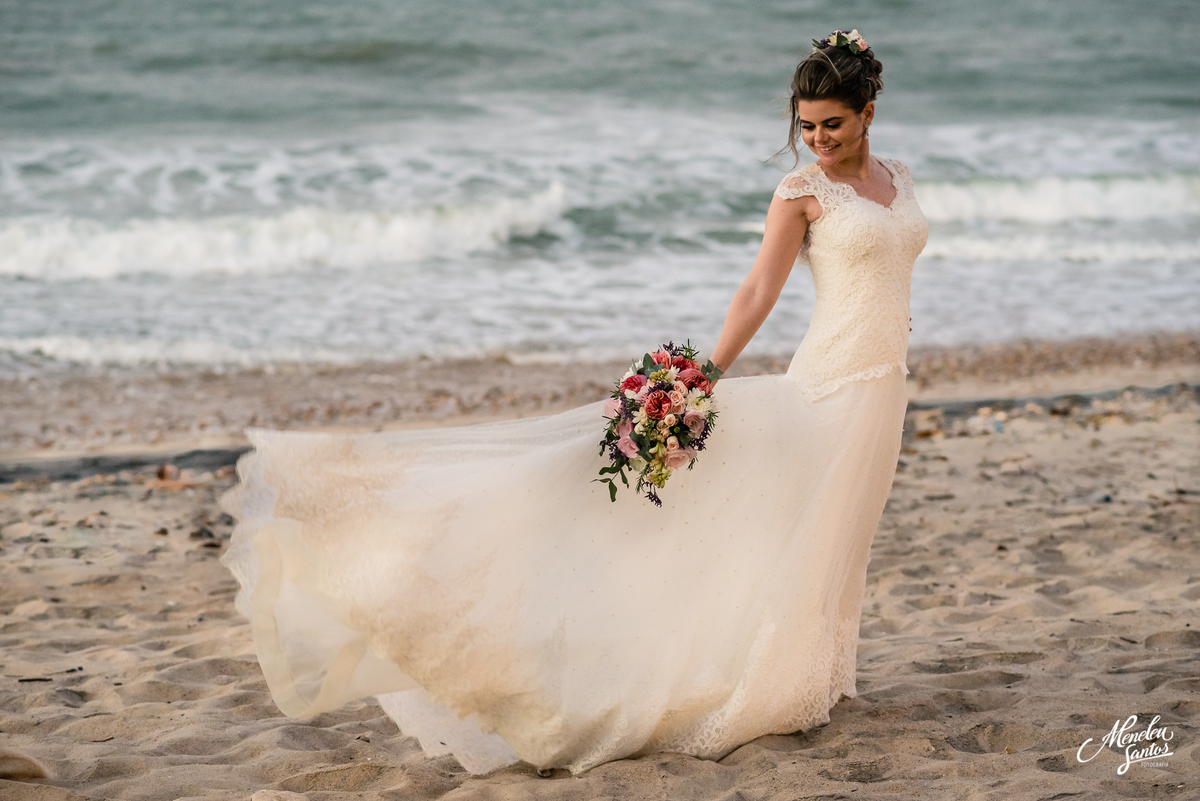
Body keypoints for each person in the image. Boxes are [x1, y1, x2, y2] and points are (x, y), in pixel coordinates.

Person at [220, 28, 928, 777]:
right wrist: (700, 378)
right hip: (827, 384)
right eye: (806, 126)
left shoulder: (898, 177)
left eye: (832, 125)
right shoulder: (801, 193)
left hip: (884, 384)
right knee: (788, 523)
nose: (816, 139)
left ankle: (820, 675)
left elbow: (890, 267)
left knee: (843, 530)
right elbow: (757, 290)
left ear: (869, 112)